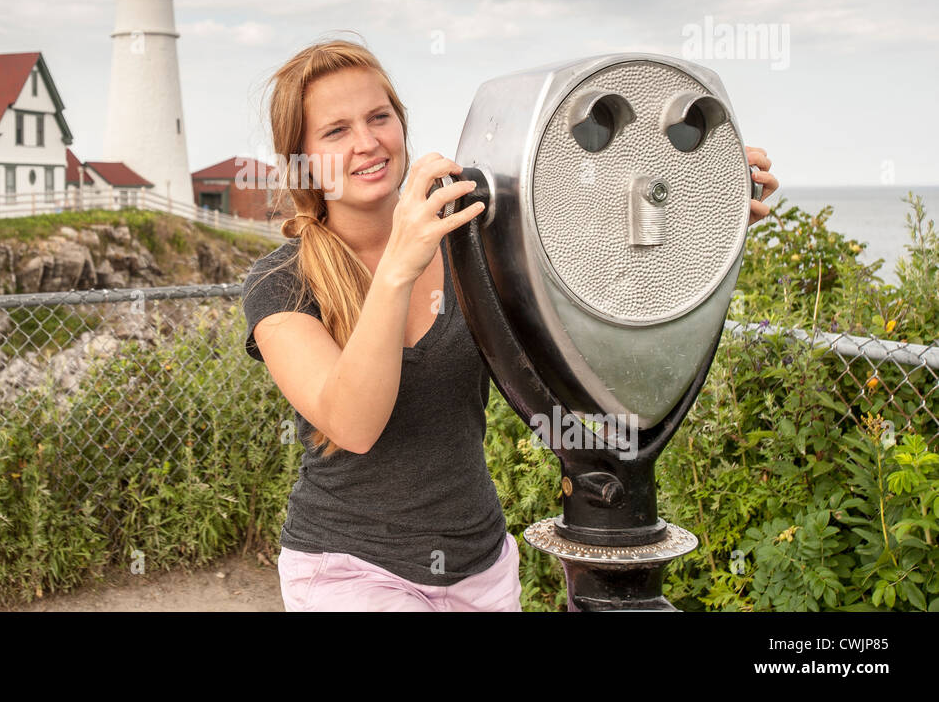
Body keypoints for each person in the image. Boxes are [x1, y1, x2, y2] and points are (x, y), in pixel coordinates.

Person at [241, 38, 779, 612]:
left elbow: (593, 263)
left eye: (380, 117)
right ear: (298, 159)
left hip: (480, 567)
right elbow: (354, 423)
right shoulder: (281, 282)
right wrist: (399, 267)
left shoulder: (471, 241)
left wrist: (702, 202)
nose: (368, 142)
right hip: (350, 568)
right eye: (335, 131)